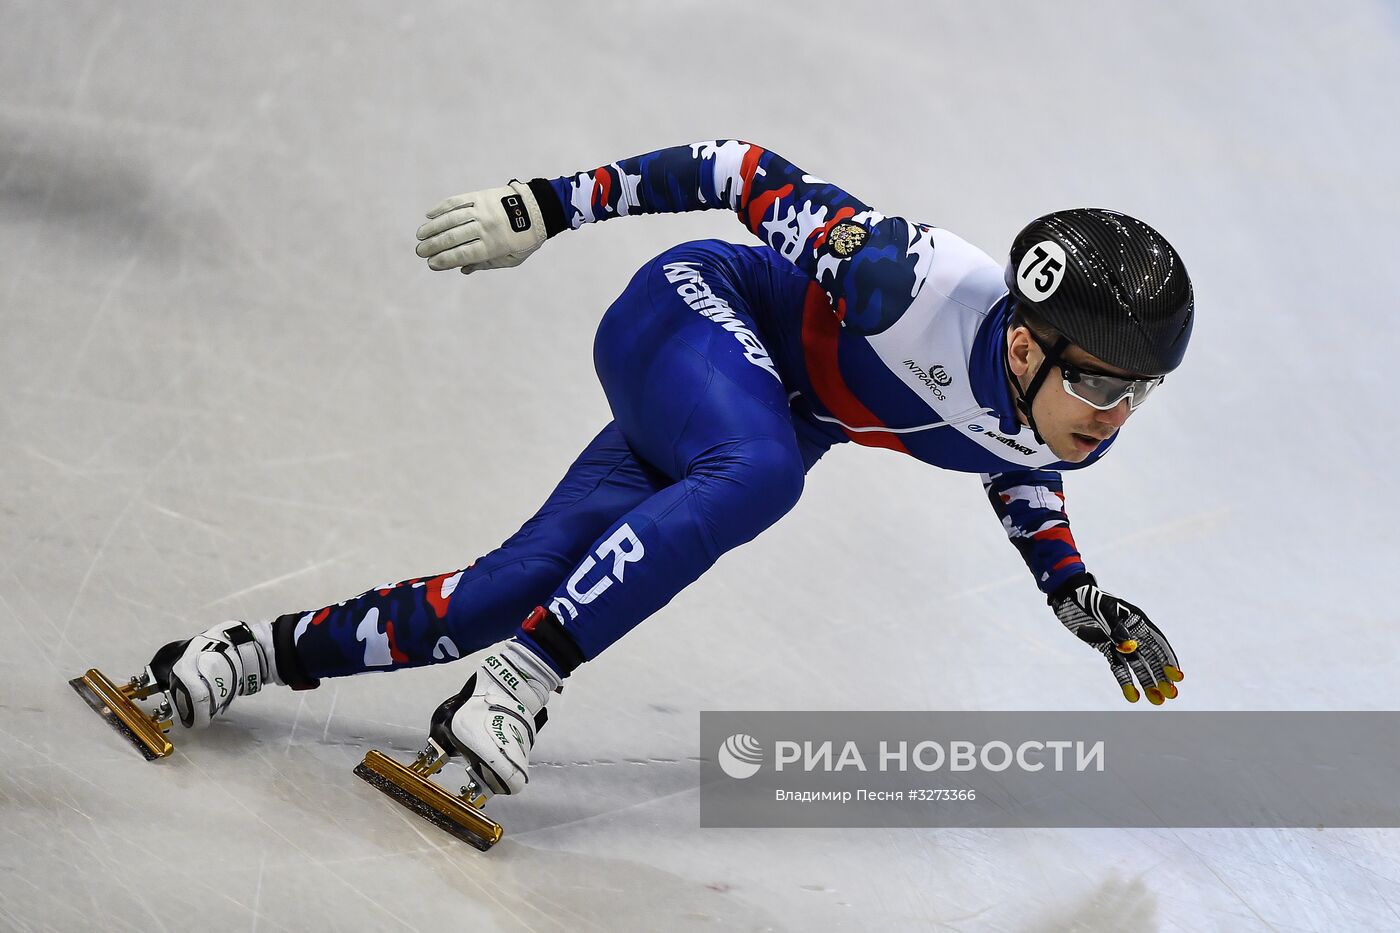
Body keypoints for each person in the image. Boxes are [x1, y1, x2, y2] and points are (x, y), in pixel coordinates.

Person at [134, 140, 1191, 800]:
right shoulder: (897, 277)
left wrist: (1077, 596)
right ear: (1023, 347)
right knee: (768, 470)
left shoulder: (1053, 420)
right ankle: (518, 683)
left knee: (506, 589)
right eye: (1106, 389)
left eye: (1139, 395)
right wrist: (549, 204)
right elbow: (735, 169)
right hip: (695, 314)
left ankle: (242, 656)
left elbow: (1011, 467)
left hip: (731, 418)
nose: (1116, 419)